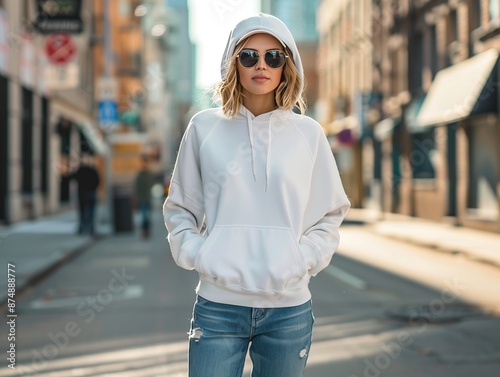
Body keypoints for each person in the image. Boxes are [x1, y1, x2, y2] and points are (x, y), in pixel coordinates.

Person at [163, 13, 351, 377]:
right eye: (249, 56)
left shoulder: (308, 133)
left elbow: (330, 213)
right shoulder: (204, 127)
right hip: (218, 306)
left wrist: (303, 259)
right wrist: (199, 254)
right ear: (233, 62)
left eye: (273, 57)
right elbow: (180, 207)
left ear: (287, 64)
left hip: (289, 311)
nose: (261, 65)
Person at [69, 154, 100, 235]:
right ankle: (90, 228)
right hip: (91, 193)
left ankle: (82, 228)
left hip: (82, 194)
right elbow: (98, 181)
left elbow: (72, 177)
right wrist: (93, 188)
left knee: (82, 212)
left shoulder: (80, 171)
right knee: (91, 212)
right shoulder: (92, 170)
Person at [134, 156, 155, 239]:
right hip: (142, 199)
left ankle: (147, 231)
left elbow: (151, 185)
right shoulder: (140, 175)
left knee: (148, 216)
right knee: (143, 216)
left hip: (148, 199)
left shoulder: (149, 174)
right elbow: (137, 187)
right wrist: (136, 197)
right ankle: (144, 231)